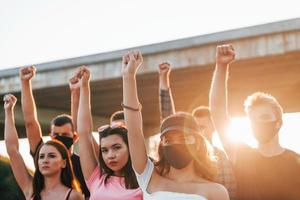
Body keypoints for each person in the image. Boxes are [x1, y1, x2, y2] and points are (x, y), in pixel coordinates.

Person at [122, 50, 229, 200]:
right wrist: (128, 77)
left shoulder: (216, 191)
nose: (176, 143)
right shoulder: (149, 177)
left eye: (184, 138)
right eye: (169, 140)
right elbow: (133, 130)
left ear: (198, 143)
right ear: (161, 145)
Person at [209, 44, 300, 200]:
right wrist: (221, 66)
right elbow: (218, 111)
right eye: (253, 119)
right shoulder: (243, 156)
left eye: (264, 117)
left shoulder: (296, 163)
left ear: (278, 123)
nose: (258, 123)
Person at [158, 62, 237, 199]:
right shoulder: (179, 154)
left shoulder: (220, 157)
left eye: (202, 127)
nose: (199, 132)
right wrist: (163, 80)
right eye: (195, 128)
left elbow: (230, 192)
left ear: (213, 127)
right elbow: (169, 118)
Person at [19, 66, 90, 198]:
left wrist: (76, 92)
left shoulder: (84, 164)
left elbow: (83, 127)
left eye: (65, 135)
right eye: (56, 135)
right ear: (51, 136)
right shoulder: (42, 154)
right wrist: (25, 83)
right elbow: (30, 123)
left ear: (75, 137)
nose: (60, 139)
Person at [76, 66, 142, 200]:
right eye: (104, 150)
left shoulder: (144, 181)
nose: (110, 156)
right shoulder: (96, 178)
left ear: (130, 147)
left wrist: (129, 75)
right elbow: (84, 132)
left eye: (117, 148)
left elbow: (136, 128)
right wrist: (84, 86)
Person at [4, 94, 83, 200]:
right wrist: (8, 112)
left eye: (51, 156)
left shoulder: (74, 196)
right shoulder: (31, 190)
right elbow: (12, 150)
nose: (45, 160)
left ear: (64, 162)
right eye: (41, 157)